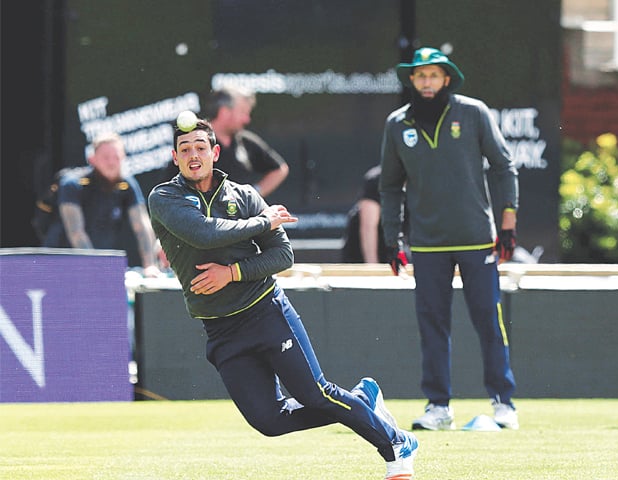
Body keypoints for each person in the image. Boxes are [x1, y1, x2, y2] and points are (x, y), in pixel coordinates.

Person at [148, 117, 418, 479]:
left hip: (266, 314)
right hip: (221, 330)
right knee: (269, 422)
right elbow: (203, 234)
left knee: (316, 394)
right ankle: (363, 401)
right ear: (175, 157)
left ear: (215, 152)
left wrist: (232, 273)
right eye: (185, 150)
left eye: (200, 147)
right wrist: (264, 221)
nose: (193, 155)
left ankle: (395, 445)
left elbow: (283, 256)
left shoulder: (244, 195)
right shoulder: (164, 196)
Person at [380, 47, 519, 430]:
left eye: (434, 75)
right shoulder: (397, 123)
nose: (427, 82)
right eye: (420, 75)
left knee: (489, 321)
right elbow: (390, 187)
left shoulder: (472, 113)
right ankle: (438, 407)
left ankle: (503, 403)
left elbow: (505, 166)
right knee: (432, 326)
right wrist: (392, 240)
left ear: (446, 79)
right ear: (411, 80)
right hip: (426, 243)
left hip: (477, 239)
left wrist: (507, 226)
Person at [44, 132, 162, 278]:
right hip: (60, 265)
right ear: (92, 159)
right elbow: (76, 232)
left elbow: (142, 226)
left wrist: (150, 266)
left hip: (96, 266)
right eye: (106, 157)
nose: (112, 163)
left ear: (123, 157)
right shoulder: (72, 184)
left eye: (116, 157)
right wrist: (95, 268)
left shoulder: (127, 184)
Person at [160, 86, 289, 199]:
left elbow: (280, 169)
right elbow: (167, 191)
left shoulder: (246, 141)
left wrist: (252, 195)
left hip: (242, 223)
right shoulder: (192, 142)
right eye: (243, 112)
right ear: (224, 112)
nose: (247, 119)